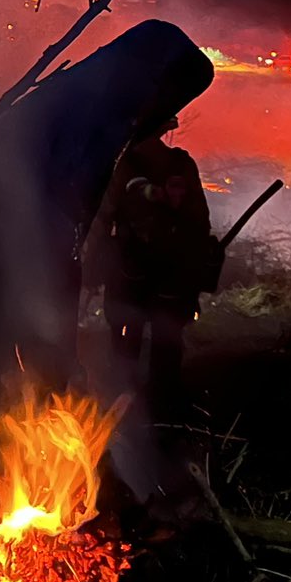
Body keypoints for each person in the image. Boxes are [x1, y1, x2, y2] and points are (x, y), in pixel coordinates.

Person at [90, 119, 220, 417]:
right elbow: (200, 222)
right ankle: (148, 408)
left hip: (145, 274)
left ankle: (140, 408)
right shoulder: (175, 165)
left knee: (144, 342)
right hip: (153, 273)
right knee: (150, 341)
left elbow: (103, 218)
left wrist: (92, 264)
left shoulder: (129, 166)